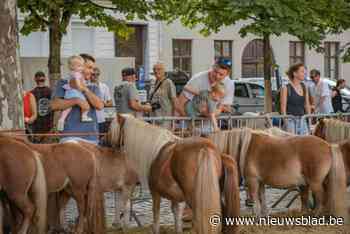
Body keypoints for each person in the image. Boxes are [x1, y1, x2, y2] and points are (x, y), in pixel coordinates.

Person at [51, 53, 103, 144]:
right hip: (70, 137)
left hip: (91, 138)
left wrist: (84, 89)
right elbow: (54, 105)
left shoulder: (94, 87)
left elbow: (99, 106)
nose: (92, 71)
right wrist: (76, 100)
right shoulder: (63, 82)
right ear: (80, 66)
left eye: (93, 69)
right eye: (89, 68)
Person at [57, 55, 93, 131]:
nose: (81, 68)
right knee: (86, 106)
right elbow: (78, 83)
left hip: (69, 93)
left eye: (82, 66)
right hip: (76, 93)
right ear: (73, 67)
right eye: (80, 66)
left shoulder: (71, 73)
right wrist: (81, 87)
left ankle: (62, 118)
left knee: (68, 107)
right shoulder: (77, 74)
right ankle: (84, 116)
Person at [280, 63, 311, 135]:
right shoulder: (285, 88)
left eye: (305, 71)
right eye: (302, 71)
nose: (305, 73)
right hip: (290, 120)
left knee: (305, 142)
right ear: (295, 73)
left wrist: (309, 120)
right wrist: (286, 123)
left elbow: (307, 105)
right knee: (293, 143)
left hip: (303, 120)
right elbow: (283, 108)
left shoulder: (304, 87)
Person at [149, 62, 178, 128]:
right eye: (154, 69)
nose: (156, 71)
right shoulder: (153, 83)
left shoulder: (168, 82)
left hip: (165, 120)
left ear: (164, 71)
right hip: (153, 119)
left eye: (159, 69)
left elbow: (174, 101)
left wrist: (173, 121)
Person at [30, 71, 53, 142]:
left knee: (38, 147)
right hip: (49, 124)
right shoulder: (51, 91)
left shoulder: (32, 93)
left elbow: (32, 111)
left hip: (37, 125)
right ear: (45, 79)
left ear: (35, 79)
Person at [90, 67, 113, 134]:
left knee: (100, 139)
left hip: (100, 119)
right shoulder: (85, 86)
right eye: (93, 74)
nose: (95, 76)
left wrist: (103, 104)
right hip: (89, 119)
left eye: (97, 74)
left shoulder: (104, 86)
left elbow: (110, 103)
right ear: (90, 75)